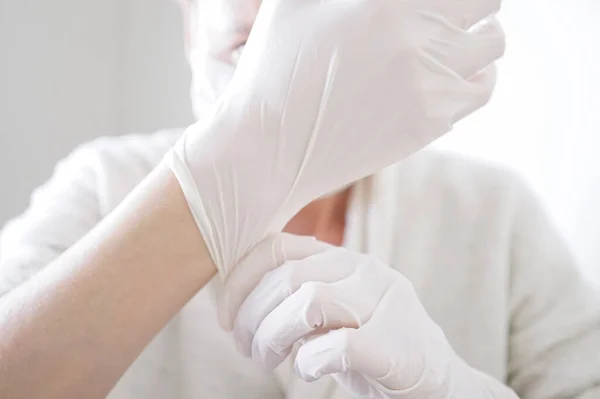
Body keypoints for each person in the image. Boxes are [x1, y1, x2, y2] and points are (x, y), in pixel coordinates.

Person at [0, 0, 598, 398]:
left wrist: (448, 388)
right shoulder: (103, 186)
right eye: (247, 50)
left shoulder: (495, 215)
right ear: (190, 26)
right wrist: (215, 185)